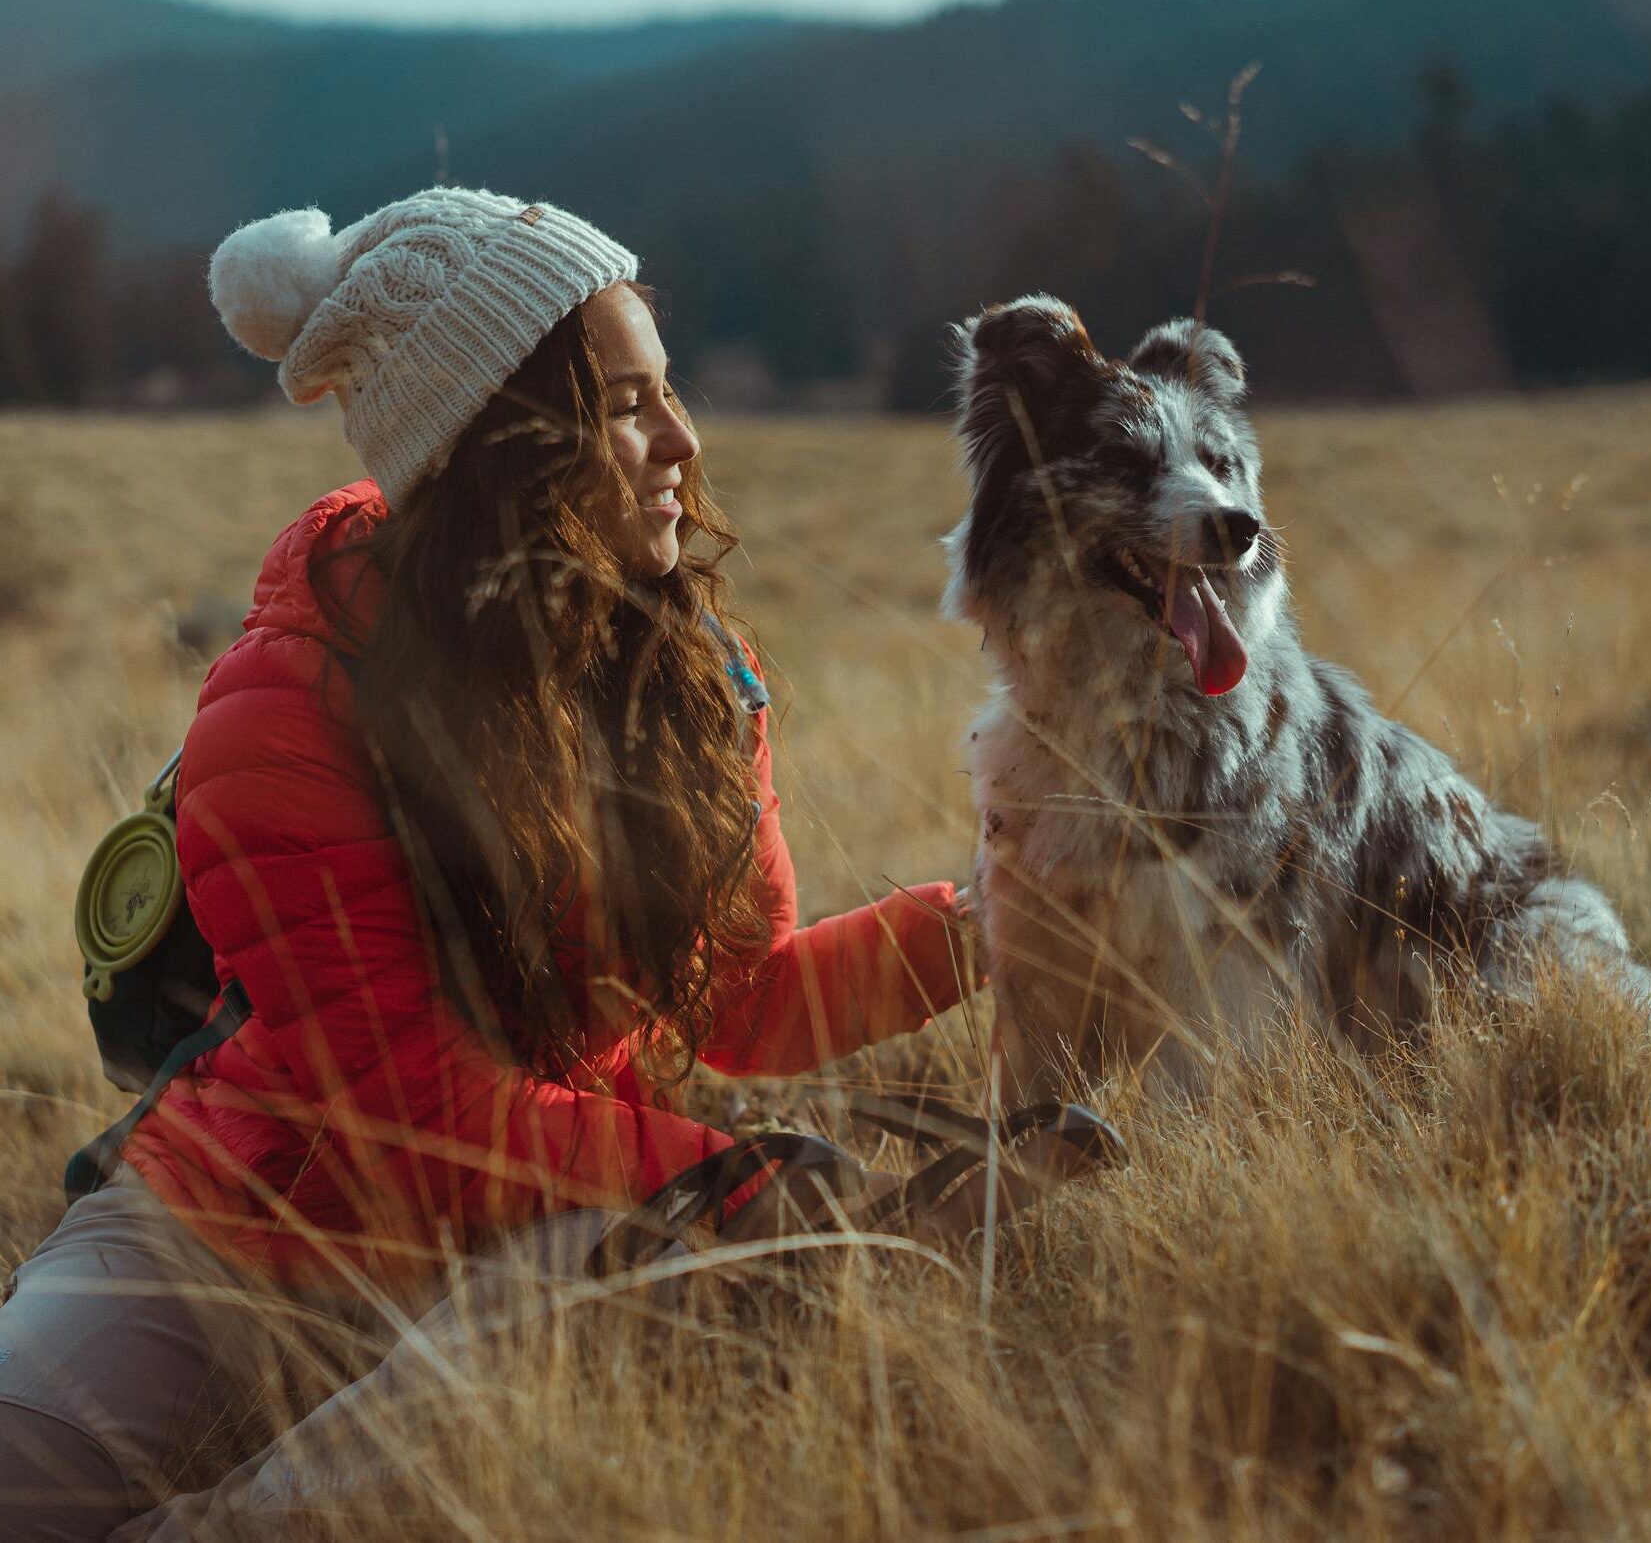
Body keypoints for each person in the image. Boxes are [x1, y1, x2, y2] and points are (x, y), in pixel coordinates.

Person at [0, 189, 1004, 1540]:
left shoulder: (690, 678)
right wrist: (730, 1175)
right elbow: (408, 1120)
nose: (681, 442)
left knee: (629, 1288)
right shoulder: (282, 709)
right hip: (220, 1238)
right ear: (493, 444)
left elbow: (745, 996)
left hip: (513, 1240)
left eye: (669, 392)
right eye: (627, 404)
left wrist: (986, 930)